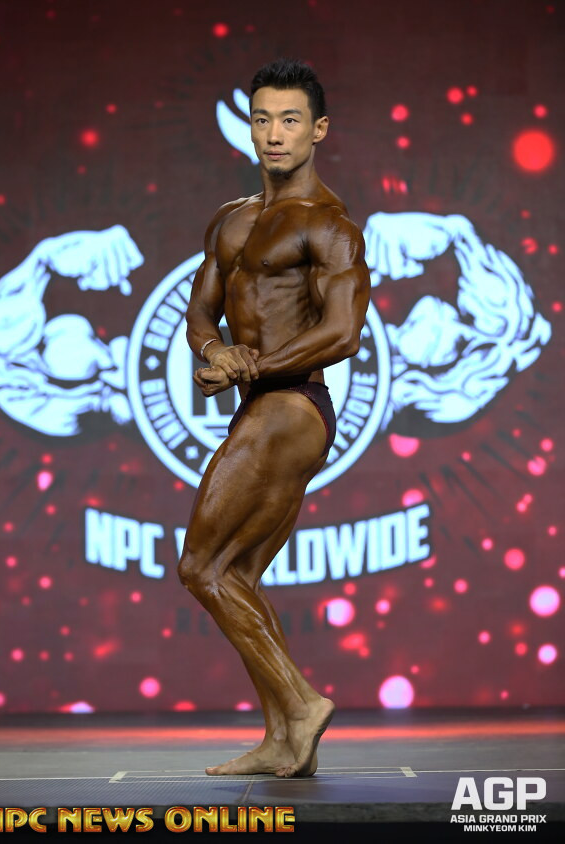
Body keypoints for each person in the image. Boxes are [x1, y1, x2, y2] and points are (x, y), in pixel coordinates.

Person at [180, 58, 371, 778]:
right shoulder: (230, 220)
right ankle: (285, 739)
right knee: (236, 575)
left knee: (200, 565)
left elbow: (344, 332)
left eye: (290, 119)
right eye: (262, 119)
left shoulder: (329, 225)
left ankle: (301, 703)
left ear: (318, 129)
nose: (274, 133)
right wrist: (215, 351)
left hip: (293, 406)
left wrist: (252, 366)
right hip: (257, 406)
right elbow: (201, 312)